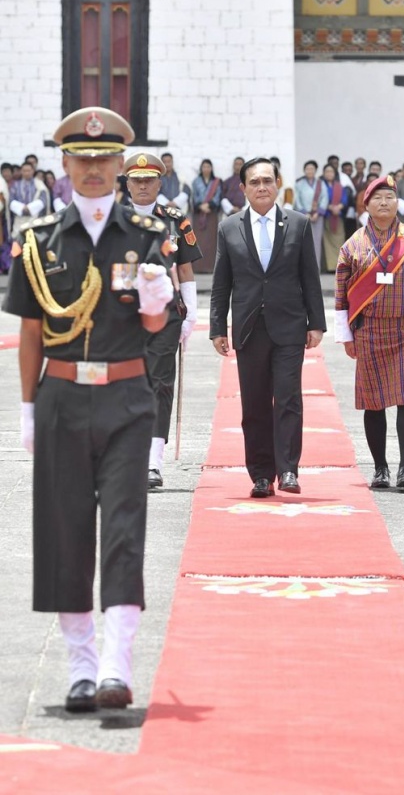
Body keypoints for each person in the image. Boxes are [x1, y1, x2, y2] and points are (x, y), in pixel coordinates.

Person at [2, 106, 174, 712]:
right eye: (84, 159)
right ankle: (79, 667)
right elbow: (29, 332)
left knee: (124, 532)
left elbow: (155, 320)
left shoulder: (146, 236)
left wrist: (158, 303)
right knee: (65, 531)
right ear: (66, 164)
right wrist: (27, 407)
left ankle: (115, 666)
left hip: (128, 398)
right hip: (62, 398)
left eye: (106, 160)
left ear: (122, 165)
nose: (96, 169)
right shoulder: (39, 241)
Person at [210, 157, 326, 497]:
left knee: (289, 399)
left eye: (268, 181)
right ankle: (261, 474)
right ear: (243, 188)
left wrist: (316, 323)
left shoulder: (298, 224)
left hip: (289, 326)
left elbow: (310, 277)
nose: (262, 187)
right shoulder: (229, 227)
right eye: (255, 182)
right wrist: (218, 327)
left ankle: (288, 469)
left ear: (278, 185)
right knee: (255, 403)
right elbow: (221, 283)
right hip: (248, 327)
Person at [335, 175, 404, 489]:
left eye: (390, 197)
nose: (384, 203)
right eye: (377, 198)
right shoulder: (352, 246)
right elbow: (340, 293)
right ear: (367, 205)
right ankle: (380, 468)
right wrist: (346, 335)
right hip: (370, 331)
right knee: (373, 401)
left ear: (397, 203)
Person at [124, 151, 202, 488]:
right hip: (124, 314)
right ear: (127, 183)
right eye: (136, 180)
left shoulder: (174, 219)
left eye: (149, 179)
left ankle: (152, 462)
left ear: (160, 181)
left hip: (166, 314)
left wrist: (191, 312)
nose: (143, 185)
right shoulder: (114, 218)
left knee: (159, 383)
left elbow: (185, 268)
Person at [294, 159, 328, 272]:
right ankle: (303, 269)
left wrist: (317, 212)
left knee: (316, 242)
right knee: (303, 241)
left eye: (312, 169)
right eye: (307, 169)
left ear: (316, 170)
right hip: (303, 216)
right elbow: (297, 199)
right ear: (304, 170)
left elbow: (324, 198)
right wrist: (304, 212)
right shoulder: (299, 184)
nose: (310, 171)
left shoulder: (321, 183)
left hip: (317, 216)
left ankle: (315, 268)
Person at [191, 158, 221, 273]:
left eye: (208, 166)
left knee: (211, 241)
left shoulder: (216, 182)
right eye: (204, 167)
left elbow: (218, 196)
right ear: (201, 168)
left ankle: (210, 267)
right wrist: (200, 206)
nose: (206, 169)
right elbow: (194, 196)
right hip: (199, 214)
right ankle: (198, 267)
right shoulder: (196, 181)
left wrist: (210, 205)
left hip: (211, 214)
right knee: (199, 241)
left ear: (211, 168)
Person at [321, 163, 349, 272]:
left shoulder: (339, 186)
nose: (329, 174)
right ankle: (329, 267)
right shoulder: (321, 185)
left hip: (338, 217)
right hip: (326, 216)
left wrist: (339, 207)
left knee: (339, 241)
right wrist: (329, 207)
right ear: (323, 174)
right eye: (327, 171)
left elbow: (345, 200)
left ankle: (339, 266)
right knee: (327, 243)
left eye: (331, 171)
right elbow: (320, 199)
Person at [9, 162, 48, 237]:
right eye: (24, 171)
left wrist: (29, 208)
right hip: (19, 219)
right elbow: (11, 200)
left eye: (28, 170)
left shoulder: (39, 184)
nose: (26, 173)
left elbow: (43, 200)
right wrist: (22, 208)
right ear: (21, 171)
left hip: (35, 218)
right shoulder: (15, 185)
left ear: (33, 171)